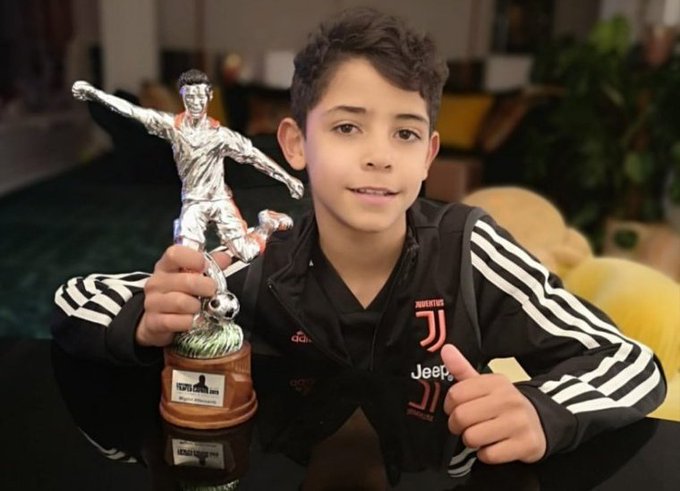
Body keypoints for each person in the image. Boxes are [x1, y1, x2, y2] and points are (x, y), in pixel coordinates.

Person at [53, 7, 666, 471]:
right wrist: (145, 318)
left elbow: (629, 361)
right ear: (296, 144)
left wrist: (541, 410)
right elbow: (79, 294)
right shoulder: (258, 256)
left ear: (428, 156)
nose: (380, 156)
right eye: (348, 127)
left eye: (405, 134)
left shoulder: (470, 249)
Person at [72, 69, 305, 261]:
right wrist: (94, 93)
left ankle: (267, 225)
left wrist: (288, 179)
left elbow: (255, 157)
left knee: (246, 252)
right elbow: (132, 111)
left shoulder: (221, 135)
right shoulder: (172, 126)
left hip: (220, 200)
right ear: (183, 97)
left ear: (209, 97)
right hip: (193, 202)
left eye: (200, 96)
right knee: (186, 260)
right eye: (190, 96)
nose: (195, 102)